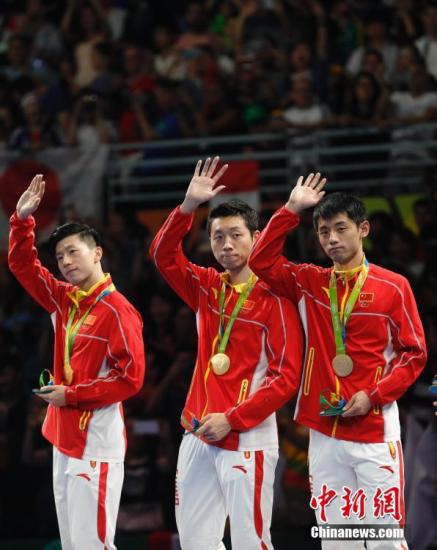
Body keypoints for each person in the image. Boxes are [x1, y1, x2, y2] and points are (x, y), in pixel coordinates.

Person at [248, 173, 427, 549]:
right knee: (336, 541)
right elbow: (260, 260)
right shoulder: (309, 282)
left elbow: (414, 354)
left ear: (363, 229)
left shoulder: (393, 286)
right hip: (324, 431)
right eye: (323, 231)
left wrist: (373, 395)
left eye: (340, 228)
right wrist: (291, 209)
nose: (331, 239)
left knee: (384, 541)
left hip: (374, 431)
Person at [149, 156, 304, 550]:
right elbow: (163, 256)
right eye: (218, 237)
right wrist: (188, 206)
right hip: (197, 431)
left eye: (236, 235)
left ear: (257, 237)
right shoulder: (206, 287)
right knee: (195, 542)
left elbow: (286, 377)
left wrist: (232, 419)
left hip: (247, 436)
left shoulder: (276, 299)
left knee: (252, 543)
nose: (226, 245)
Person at [8, 174, 146, 550]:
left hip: (96, 443)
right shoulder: (64, 300)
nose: (66, 262)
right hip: (63, 439)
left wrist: (71, 395)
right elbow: (22, 265)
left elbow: (130, 379)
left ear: (97, 253)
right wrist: (22, 221)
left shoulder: (119, 311)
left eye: (73, 252)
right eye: (60, 257)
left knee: (93, 545)